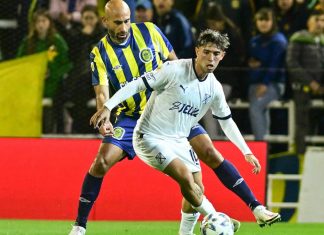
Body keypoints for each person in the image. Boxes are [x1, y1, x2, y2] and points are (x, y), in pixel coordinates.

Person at [68, 1, 280, 234]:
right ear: (105, 21)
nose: (124, 27)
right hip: (132, 116)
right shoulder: (99, 52)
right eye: (117, 22)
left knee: (209, 154)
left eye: (127, 21)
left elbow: (174, 62)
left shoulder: (149, 31)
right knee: (101, 162)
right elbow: (101, 91)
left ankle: (255, 208)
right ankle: (80, 226)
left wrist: (188, 94)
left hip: (172, 108)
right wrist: (106, 115)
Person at [16, 9, 73, 133]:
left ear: (49, 23)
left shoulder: (57, 41)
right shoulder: (28, 42)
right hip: (32, 86)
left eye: (43, 21)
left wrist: (52, 73)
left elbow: (67, 64)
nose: (40, 24)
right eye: (37, 21)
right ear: (34, 24)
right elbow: (19, 64)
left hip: (53, 86)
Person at [286, 9, 324, 156]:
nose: (320, 24)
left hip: (320, 88)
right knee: (301, 124)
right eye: (317, 20)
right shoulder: (298, 37)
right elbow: (292, 64)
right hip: (301, 88)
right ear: (309, 21)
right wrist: (311, 83)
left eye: (322, 20)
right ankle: (300, 157)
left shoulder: (322, 40)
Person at [247, 7, 287, 141]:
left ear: (273, 21)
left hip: (274, 84)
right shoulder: (254, 40)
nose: (263, 23)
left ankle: (260, 146)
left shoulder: (279, 41)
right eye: (260, 19)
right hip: (255, 83)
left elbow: (274, 66)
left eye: (266, 19)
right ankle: (264, 146)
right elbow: (251, 61)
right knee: (261, 112)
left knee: (256, 107)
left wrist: (264, 83)